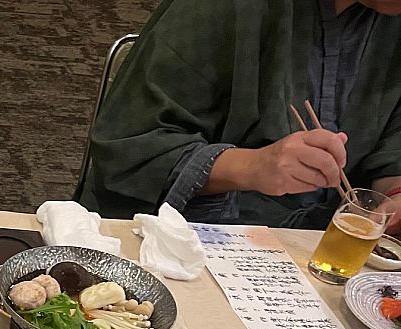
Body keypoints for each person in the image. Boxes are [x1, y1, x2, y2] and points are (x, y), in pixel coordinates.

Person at [78, 0, 401, 231]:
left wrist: (394, 197)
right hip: (188, 238)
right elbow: (129, 147)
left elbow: (392, 149)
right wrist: (253, 166)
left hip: (322, 256)